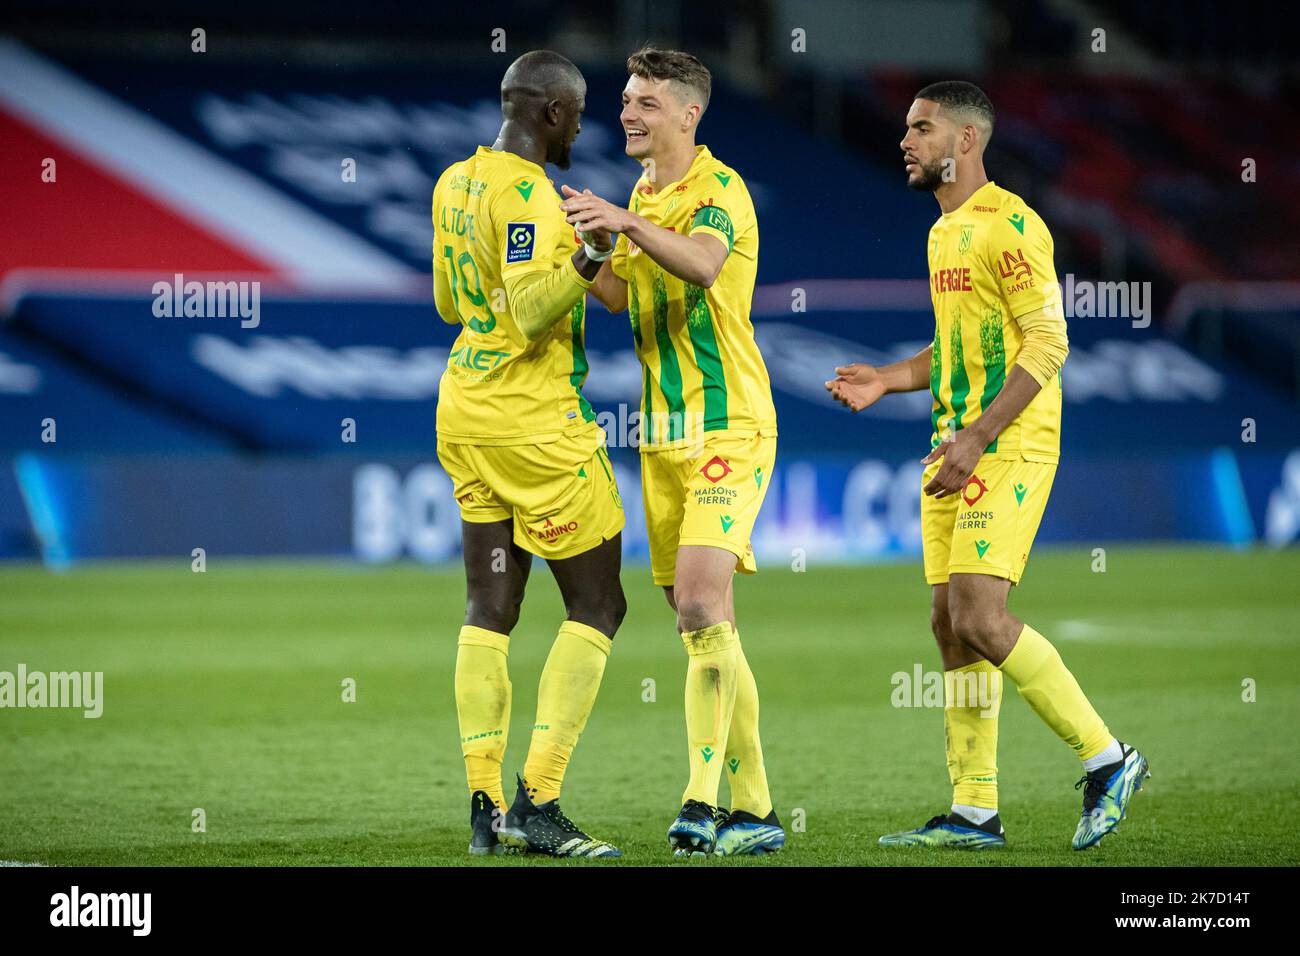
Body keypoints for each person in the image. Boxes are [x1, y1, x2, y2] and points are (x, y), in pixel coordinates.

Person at [827, 80, 1149, 850]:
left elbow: (1048, 344)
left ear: (966, 140)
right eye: (905, 128)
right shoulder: (944, 233)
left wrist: (978, 437)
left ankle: (1108, 758)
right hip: (954, 442)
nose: (905, 141)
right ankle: (975, 810)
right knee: (948, 625)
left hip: (1008, 443)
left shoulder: (1010, 226)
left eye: (922, 128)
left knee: (978, 614)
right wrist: (888, 378)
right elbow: (960, 351)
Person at [561, 47, 783, 856]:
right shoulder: (643, 191)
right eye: (626, 99)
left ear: (689, 114)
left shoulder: (717, 191)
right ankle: (756, 810)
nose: (627, 112)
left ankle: (698, 801)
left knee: (696, 603)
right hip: (661, 437)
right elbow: (623, 295)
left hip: (730, 427)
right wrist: (582, 249)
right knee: (706, 625)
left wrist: (624, 223)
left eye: (647, 102)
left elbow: (702, 264)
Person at [433, 50, 626, 858]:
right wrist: (589, 254)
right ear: (550, 113)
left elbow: (452, 301)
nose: (584, 126)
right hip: (535, 424)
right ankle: (537, 803)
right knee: (600, 605)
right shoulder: (528, 195)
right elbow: (527, 313)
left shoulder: (455, 181)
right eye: (579, 115)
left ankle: (483, 801)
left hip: (465, 411)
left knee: (491, 606)